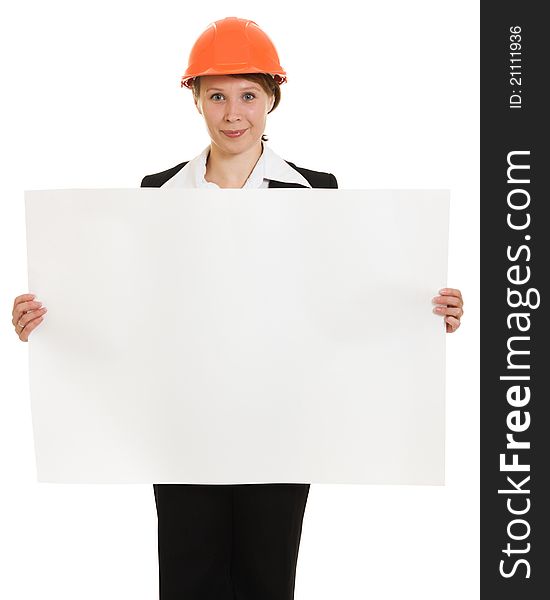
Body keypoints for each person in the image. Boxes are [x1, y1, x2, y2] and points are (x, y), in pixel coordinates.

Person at [12, 16, 464, 600]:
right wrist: (55, 321)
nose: (233, 113)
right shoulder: (157, 193)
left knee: (266, 581)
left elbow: (342, 305)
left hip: (280, 429)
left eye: (249, 96)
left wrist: (421, 315)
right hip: (183, 430)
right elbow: (134, 307)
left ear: (272, 99)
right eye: (217, 96)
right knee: (187, 579)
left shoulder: (316, 192)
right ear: (195, 99)